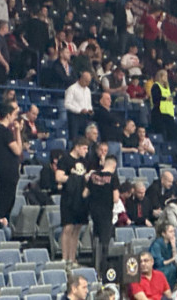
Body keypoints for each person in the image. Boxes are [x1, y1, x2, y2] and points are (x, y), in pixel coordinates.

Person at [57, 136, 91, 265]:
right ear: (77, 147)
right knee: (68, 227)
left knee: (77, 229)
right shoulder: (65, 159)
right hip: (69, 197)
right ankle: (64, 257)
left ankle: (72, 258)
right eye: (84, 148)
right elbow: (59, 177)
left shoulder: (85, 161)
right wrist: (76, 178)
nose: (86, 151)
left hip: (81, 198)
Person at [87, 154, 120, 275]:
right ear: (114, 166)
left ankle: (95, 265)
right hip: (106, 212)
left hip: (94, 212)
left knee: (96, 240)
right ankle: (103, 268)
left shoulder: (93, 175)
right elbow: (116, 198)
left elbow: (85, 193)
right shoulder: (113, 178)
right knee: (105, 242)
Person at [0, 102, 22, 219]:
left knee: (8, 200)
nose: (15, 118)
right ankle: (0, 222)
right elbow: (18, 150)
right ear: (8, 115)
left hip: (4, 169)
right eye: (14, 115)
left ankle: (4, 222)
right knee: (6, 201)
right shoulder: (4, 131)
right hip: (8, 170)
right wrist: (18, 131)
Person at [64, 70, 94, 140]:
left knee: (84, 138)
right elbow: (67, 104)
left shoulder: (88, 90)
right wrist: (79, 110)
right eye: (86, 81)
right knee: (74, 137)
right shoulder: (72, 89)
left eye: (89, 82)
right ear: (81, 78)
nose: (87, 83)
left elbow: (89, 103)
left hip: (85, 117)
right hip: (74, 117)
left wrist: (90, 110)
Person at [151, 221, 177, 288]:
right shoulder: (156, 244)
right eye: (170, 232)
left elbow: (175, 260)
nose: (173, 234)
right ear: (163, 234)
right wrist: (173, 259)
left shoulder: (172, 243)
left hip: (170, 267)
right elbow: (159, 263)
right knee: (172, 269)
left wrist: (173, 246)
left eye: (173, 231)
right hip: (158, 268)